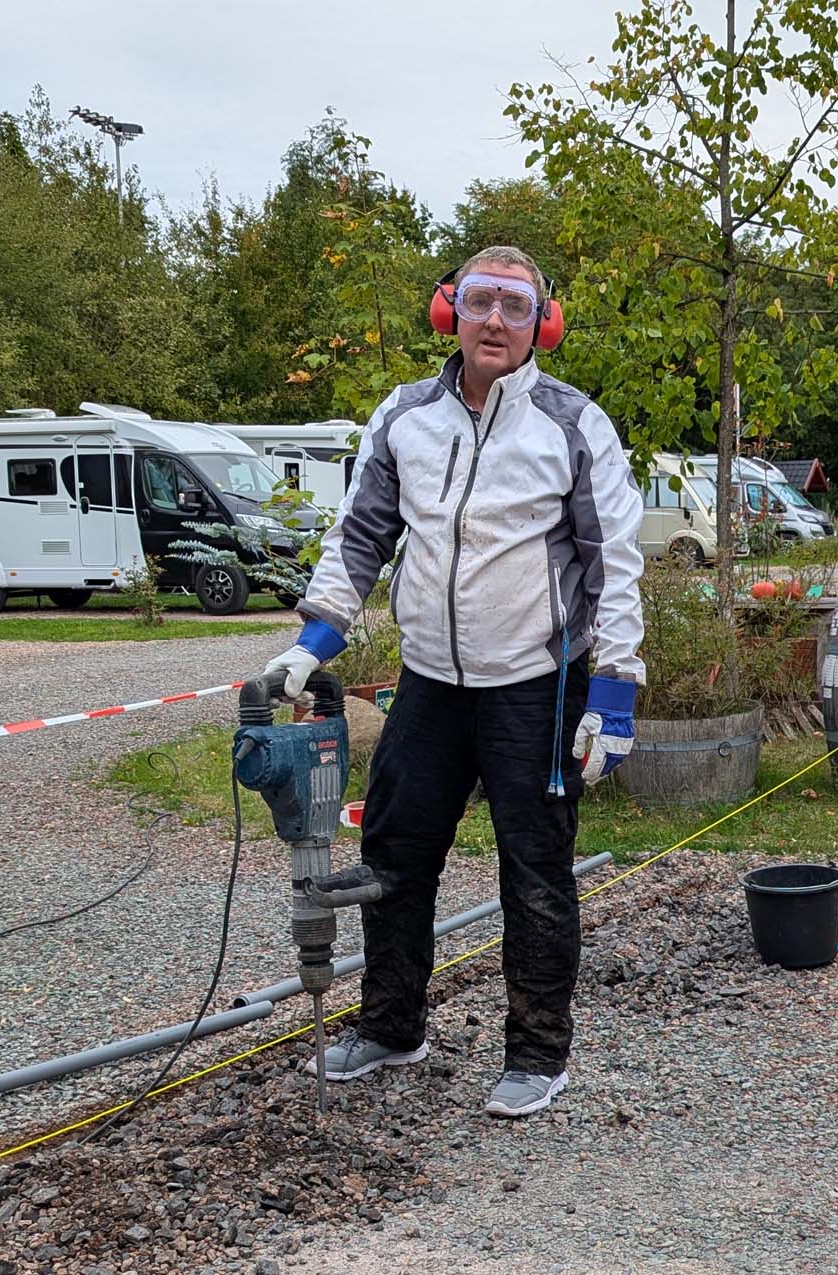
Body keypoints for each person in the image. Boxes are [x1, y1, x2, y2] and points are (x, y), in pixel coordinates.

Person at [261, 246, 646, 1119]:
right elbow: (361, 534)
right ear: (450, 312)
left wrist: (613, 697)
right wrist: (312, 642)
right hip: (430, 683)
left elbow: (615, 564)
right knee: (394, 854)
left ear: (541, 323)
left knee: (536, 872)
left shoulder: (573, 425)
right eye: (481, 302)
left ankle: (539, 1052)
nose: (496, 322)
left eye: (517, 306)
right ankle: (394, 1026)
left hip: (536, 687)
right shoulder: (405, 418)